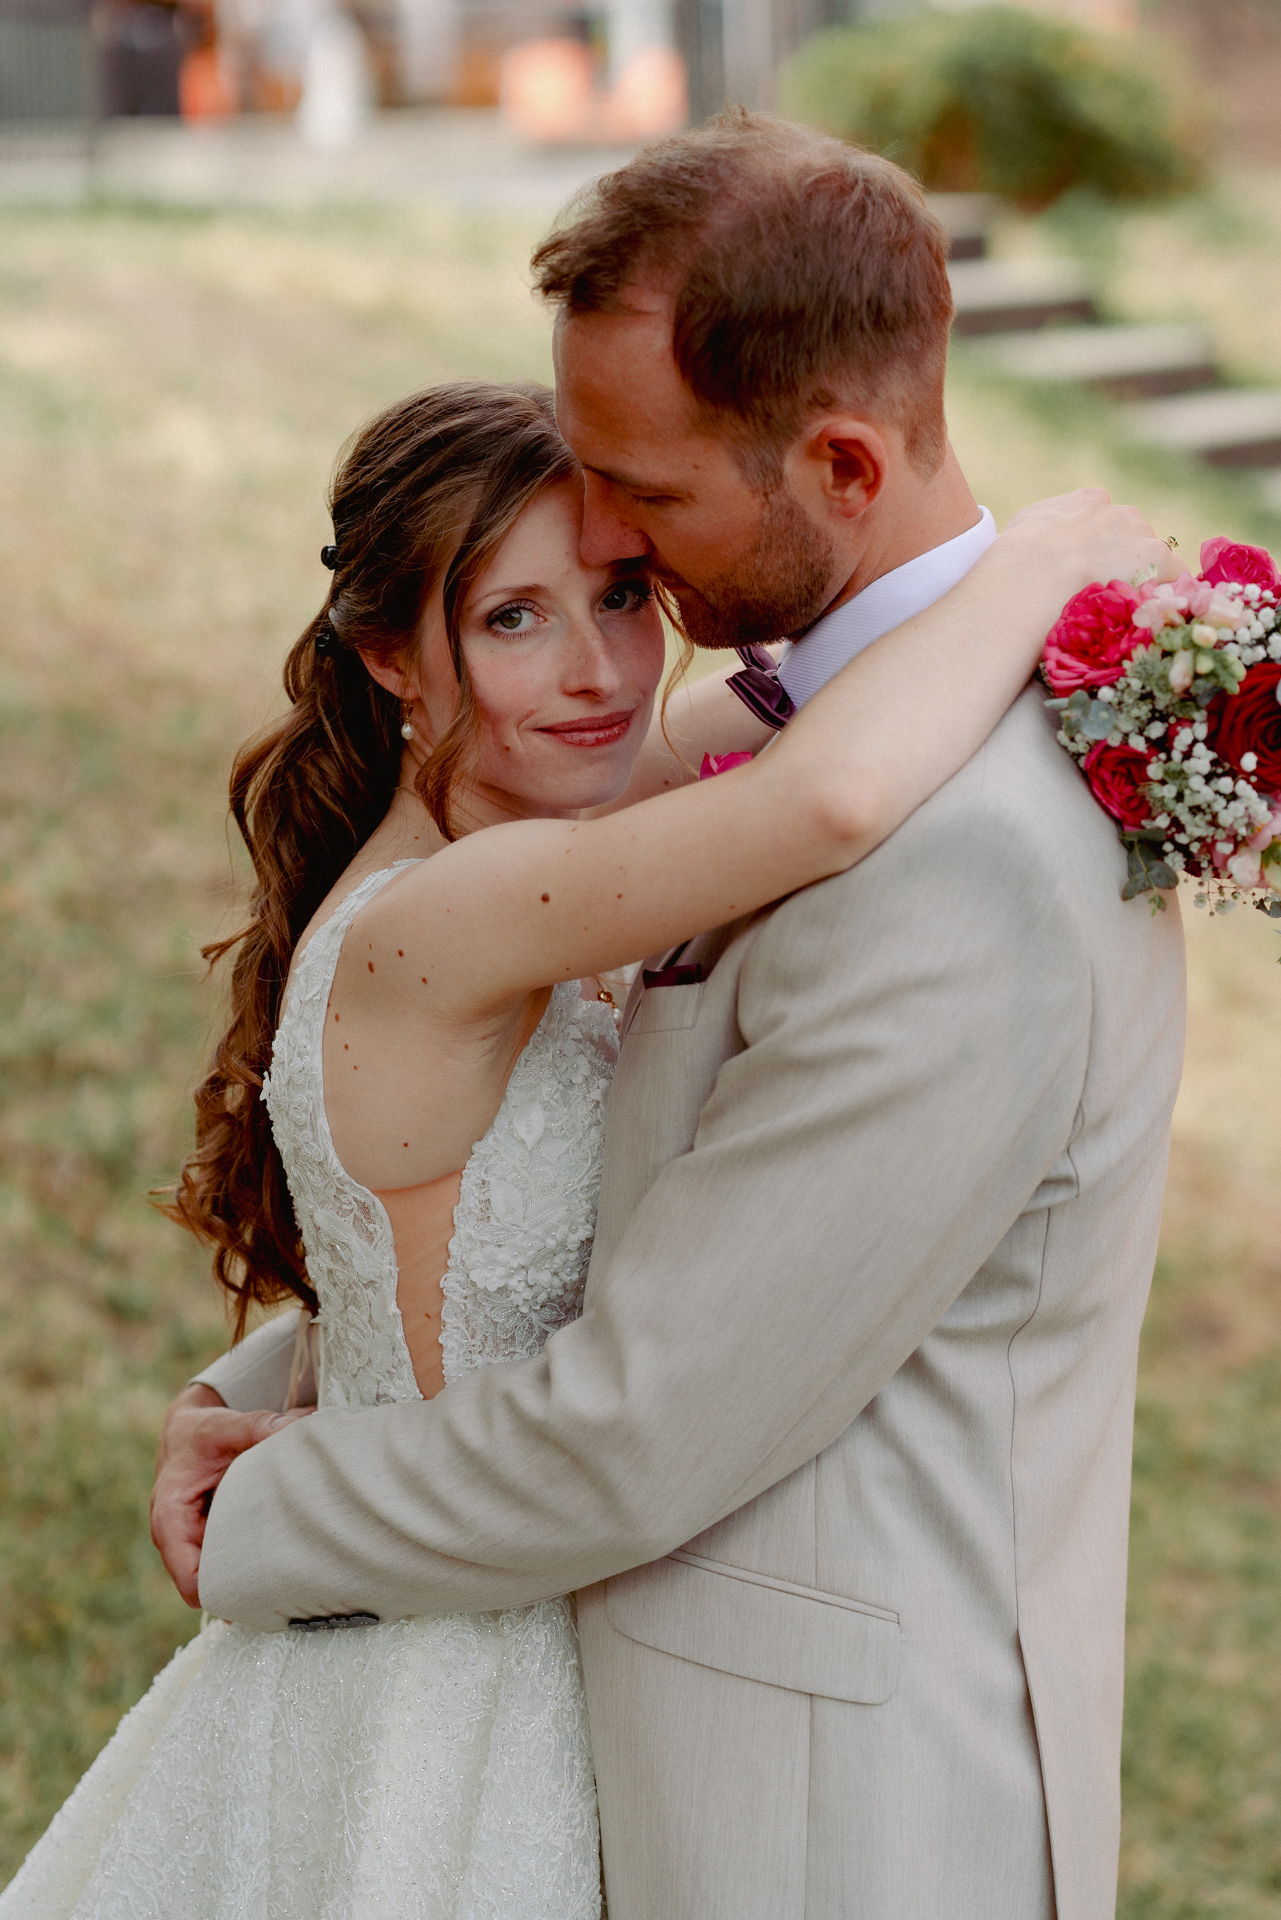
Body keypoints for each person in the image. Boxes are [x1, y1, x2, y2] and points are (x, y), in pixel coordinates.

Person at [74, 137, 1172, 1920]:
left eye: (627, 532)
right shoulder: (517, 879)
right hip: (492, 1679)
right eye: (516, 611)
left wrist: (281, 1427)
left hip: (814, 1789)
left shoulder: (925, 847)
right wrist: (1034, 561)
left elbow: (606, 1328)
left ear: (835, 463)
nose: (608, 638)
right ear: (389, 656)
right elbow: (806, 808)